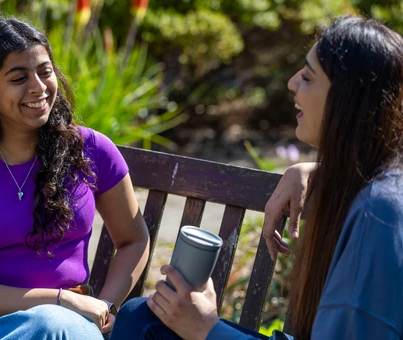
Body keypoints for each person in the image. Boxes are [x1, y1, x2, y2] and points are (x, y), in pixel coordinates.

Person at [111, 16, 403, 340]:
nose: (292, 83)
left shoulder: (380, 213)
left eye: (307, 77)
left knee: (143, 324)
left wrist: (205, 328)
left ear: (347, 100)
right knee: (140, 317)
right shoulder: (374, 186)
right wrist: (318, 172)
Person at [0, 17, 150, 340]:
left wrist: (106, 306)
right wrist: (58, 299)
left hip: (67, 327)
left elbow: (133, 239)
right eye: (19, 78)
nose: (39, 87)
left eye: (45, 72)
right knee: (51, 324)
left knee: (55, 327)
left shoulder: (90, 151)